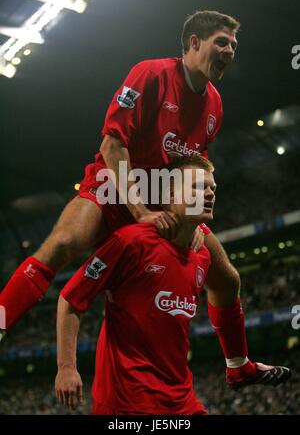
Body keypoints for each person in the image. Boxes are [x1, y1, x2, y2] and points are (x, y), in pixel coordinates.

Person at [0, 10, 240, 334]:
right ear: (194, 43)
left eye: (234, 45)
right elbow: (112, 146)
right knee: (62, 244)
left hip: (159, 197)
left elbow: (192, 169)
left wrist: (191, 216)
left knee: (226, 277)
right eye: (222, 42)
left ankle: (239, 367)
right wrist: (139, 209)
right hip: (113, 185)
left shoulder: (215, 104)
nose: (230, 51)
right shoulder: (151, 73)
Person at [55, 156, 290, 415]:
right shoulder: (130, 242)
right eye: (198, 187)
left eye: (212, 188)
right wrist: (66, 367)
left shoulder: (202, 257)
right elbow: (71, 298)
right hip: (127, 404)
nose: (210, 193)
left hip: (182, 400)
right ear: (170, 193)